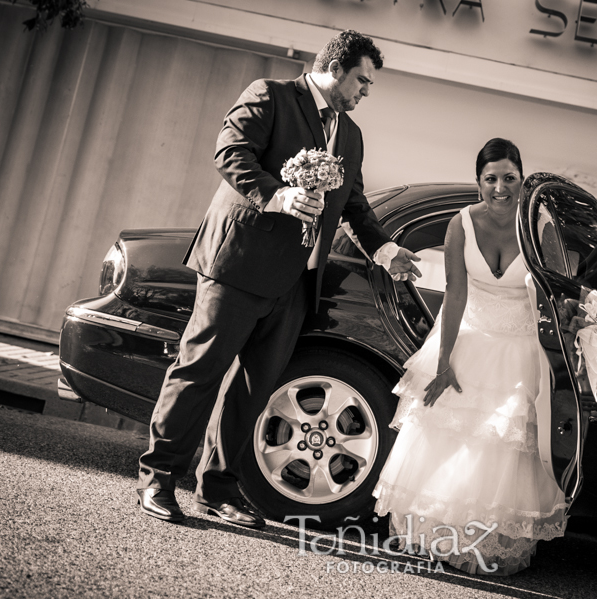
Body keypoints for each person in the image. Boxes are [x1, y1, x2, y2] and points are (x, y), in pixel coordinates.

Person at [137, 30, 421, 526]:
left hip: (295, 281)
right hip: (239, 265)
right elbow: (230, 153)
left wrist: (387, 249)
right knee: (199, 372)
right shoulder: (269, 94)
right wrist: (276, 195)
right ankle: (158, 479)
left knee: (254, 389)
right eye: (362, 79)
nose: (366, 92)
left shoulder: (349, 135)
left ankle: (218, 490)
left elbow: (353, 206)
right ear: (335, 67)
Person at [373, 138, 567, 576]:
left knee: (502, 447)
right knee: (450, 437)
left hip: (519, 348)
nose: (500, 188)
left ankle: (486, 543)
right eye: (490, 179)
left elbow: (557, 294)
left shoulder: (540, 225)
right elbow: (455, 292)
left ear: (523, 178)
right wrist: (444, 362)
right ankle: (441, 538)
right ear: (478, 181)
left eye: (509, 178)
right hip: (467, 338)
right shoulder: (461, 223)